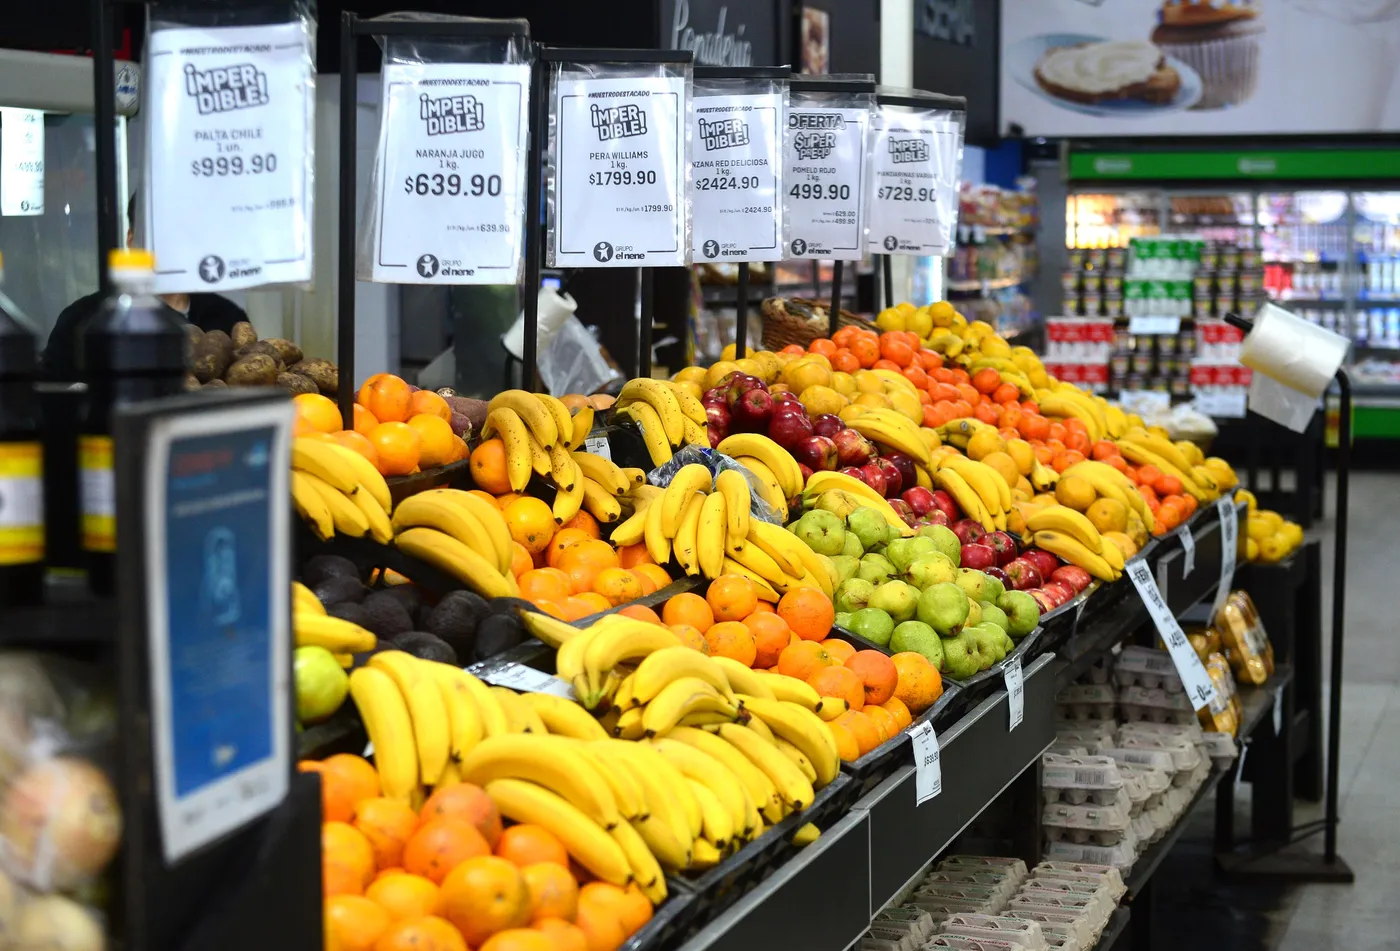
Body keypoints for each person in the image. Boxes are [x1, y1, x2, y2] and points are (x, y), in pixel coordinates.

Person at [41, 192, 247, 379]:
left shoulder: (227, 318)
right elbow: (53, 404)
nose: (172, 244)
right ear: (131, 241)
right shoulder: (80, 322)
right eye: (158, 230)